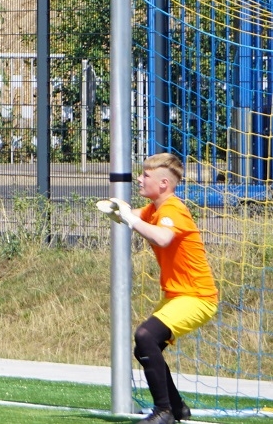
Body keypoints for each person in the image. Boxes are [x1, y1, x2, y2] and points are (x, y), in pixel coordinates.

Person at [103, 153, 218, 424]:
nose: (139, 179)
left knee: (145, 336)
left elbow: (163, 238)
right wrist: (118, 211)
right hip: (177, 296)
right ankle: (177, 408)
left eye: (146, 176)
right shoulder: (154, 209)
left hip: (197, 297)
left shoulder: (172, 209)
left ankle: (164, 412)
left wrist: (129, 219)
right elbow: (133, 217)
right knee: (144, 346)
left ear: (164, 183)